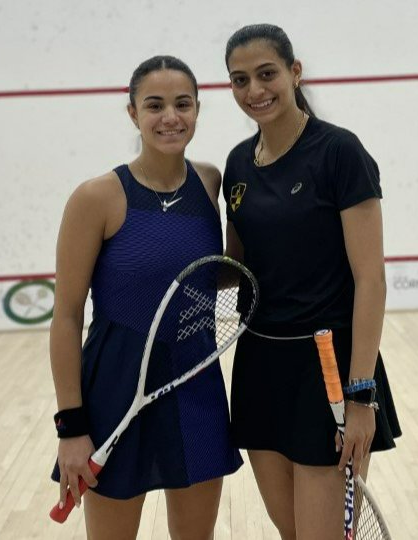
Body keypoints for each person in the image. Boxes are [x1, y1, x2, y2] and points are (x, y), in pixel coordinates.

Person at [49, 55, 241, 539]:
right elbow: (67, 316)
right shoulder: (97, 198)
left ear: (198, 109)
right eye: (154, 105)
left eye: (182, 104)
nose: (169, 117)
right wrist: (70, 428)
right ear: (133, 113)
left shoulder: (210, 182)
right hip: (116, 390)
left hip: (195, 383)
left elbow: (202, 276)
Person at [221, 24, 402, 539]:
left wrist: (361, 397)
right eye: (240, 80)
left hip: (328, 370)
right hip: (259, 365)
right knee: (292, 533)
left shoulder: (339, 153)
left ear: (294, 72)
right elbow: (235, 268)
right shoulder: (238, 163)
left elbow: (371, 280)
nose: (254, 90)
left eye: (266, 74)